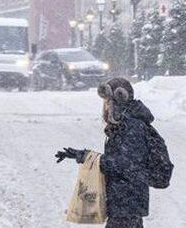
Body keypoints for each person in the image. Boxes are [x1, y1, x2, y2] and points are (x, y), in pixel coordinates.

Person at [55, 77, 164, 227]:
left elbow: (124, 165)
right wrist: (82, 155)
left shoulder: (132, 126)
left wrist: (88, 158)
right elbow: (122, 160)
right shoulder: (125, 124)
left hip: (127, 204)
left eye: (106, 101)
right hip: (125, 204)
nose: (104, 106)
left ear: (116, 101)